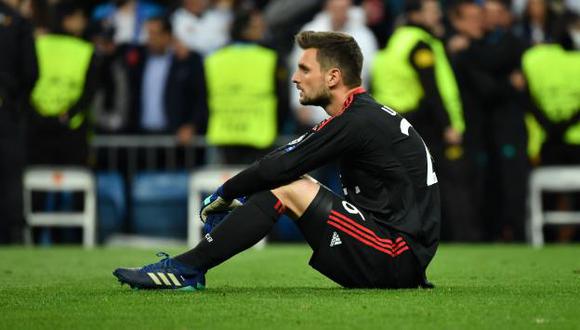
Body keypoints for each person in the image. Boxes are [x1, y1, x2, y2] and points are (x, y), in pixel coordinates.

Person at [113, 30, 440, 290]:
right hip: (394, 252)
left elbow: (283, 166)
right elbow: (284, 158)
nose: (295, 78)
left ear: (333, 77)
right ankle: (189, 268)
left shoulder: (358, 120)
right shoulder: (361, 116)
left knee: (289, 186)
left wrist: (227, 191)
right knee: (291, 183)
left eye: (304, 69)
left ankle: (186, 269)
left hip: (395, 257)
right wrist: (236, 190)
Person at [204, 9, 287, 165]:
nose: (263, 30)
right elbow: (283, 98)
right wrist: (278, 126)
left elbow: (204, 97)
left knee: (228, 187)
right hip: (261, 135)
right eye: (258, 26)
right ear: (245, 29)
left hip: (224, 135)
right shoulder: (270, 58)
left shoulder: (214, 59)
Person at [0, 0, 38, 244]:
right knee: (10, 177)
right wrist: (16, 102)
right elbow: (31, 72)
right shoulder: (19, 22)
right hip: (6, 111)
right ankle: (12, 236)